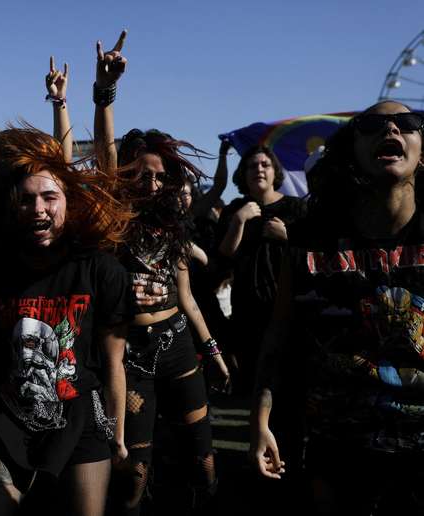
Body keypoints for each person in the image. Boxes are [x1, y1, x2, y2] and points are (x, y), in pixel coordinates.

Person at [251, 101, 424, 514]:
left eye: (407, 123)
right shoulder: (312, 237)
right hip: (342, 448)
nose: (392, 131)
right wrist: (260, 422)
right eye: (373, 125)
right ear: (351, 149)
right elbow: (279, 334)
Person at [0, 126, 133, 516]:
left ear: (69, 201)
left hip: (80, 418)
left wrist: (117, 433)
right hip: (7, 420)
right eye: (27, 200)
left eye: (50, 197)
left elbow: (114, 361)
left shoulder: (100, 270)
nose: (39, 209)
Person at [90, 31, 230, 515]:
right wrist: (105, 92)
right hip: (132, 356)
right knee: (135, 472)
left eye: (157, 175)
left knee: (204, 459)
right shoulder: (114, 220)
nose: (150, 182)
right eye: (140, 174)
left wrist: (212, 350)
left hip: (179, 345)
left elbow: (187, 298)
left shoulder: (172, 228)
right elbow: (105, 153)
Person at [218, 144, 307, 394]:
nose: (259, 169)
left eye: (265, 164)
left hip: (287, 305)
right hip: (247, 308)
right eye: (252, 165)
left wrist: (287, 235)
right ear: (243, 173)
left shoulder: (295, 208)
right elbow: (226, 253)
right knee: (254, 380)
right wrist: (239, 219)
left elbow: (314, 254)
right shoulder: (235, 209)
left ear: (274, 171)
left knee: (288, 381)